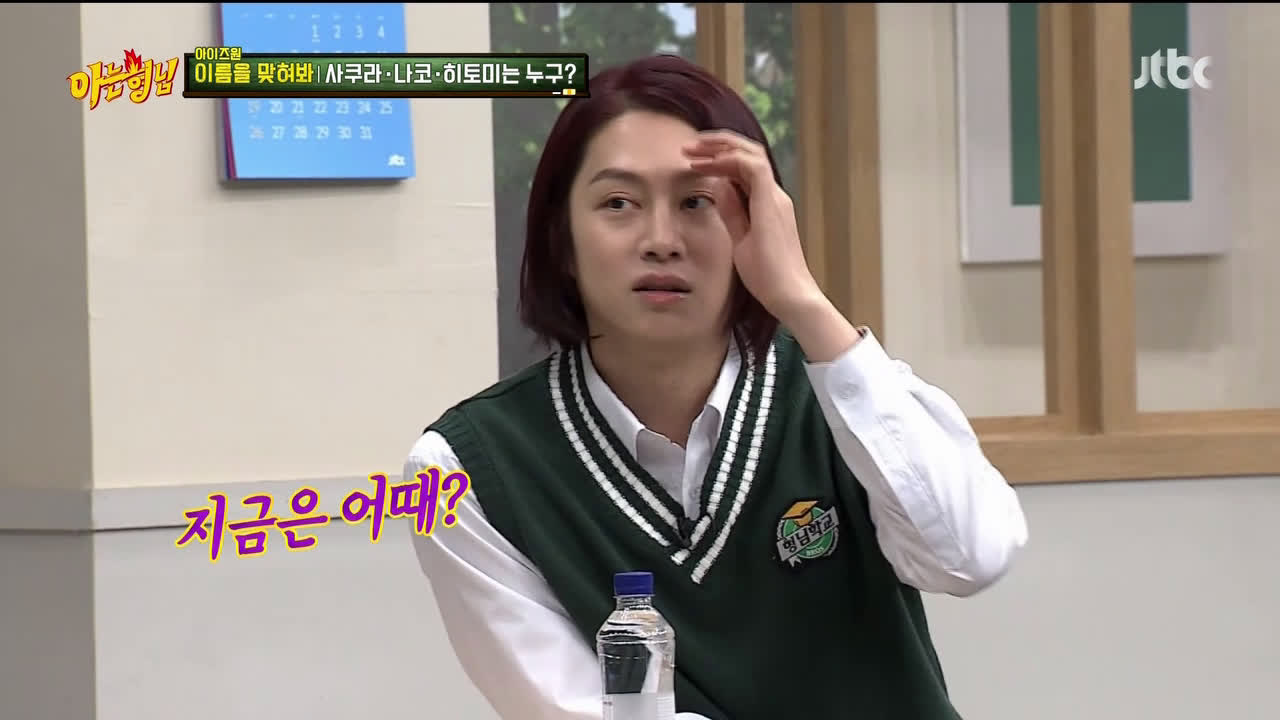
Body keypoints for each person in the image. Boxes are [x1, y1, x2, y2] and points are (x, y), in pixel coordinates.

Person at [404, 54, 1029, 720]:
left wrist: (804, 301)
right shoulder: (459, 472)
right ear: (561, 238)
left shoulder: (842, 390)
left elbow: (970, 558)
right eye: (618, 203)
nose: (661, 240)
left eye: (697, 202)